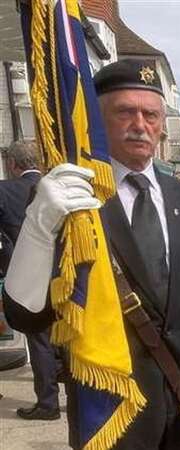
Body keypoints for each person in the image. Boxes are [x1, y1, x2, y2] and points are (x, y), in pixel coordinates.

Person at [2, 59, 180, 450]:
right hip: (115, 409)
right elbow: (25, 315)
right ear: (99, 120)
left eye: (151, 114)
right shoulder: (73, 200)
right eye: (125, 112)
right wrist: (38, 226)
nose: (141, 124)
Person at [0, 141, 61, 420]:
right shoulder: (58, 185)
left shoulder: (4, 190)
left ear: (13, 165)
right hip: (63, 274)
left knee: (39, 339)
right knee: (66, 338)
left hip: (26, 276)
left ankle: (47, 404)